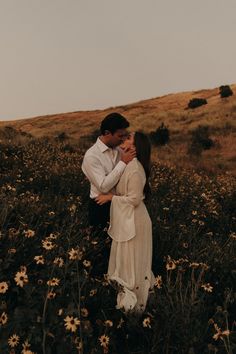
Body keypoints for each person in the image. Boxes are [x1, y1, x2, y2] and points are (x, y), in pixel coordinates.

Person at [95, 132, 155, 313]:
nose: (124, 140)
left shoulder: (135, 169)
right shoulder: (128, 165)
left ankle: (134, 308)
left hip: (135, 221)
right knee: (126, 260)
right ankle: (125, 305)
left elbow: (135, 199)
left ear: (135, 148)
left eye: (129, 139)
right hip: (128, 219)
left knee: (132, 262)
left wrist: (110, 198)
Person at [82, 112, 136, 229]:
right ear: (107, 133)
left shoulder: (120, 150)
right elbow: (103, 187)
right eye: (119, 136)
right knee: (102, 245)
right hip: (101, 207)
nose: (122, 140)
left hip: (121, 205)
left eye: (124, 136)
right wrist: (123, 162)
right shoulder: (92, 156)